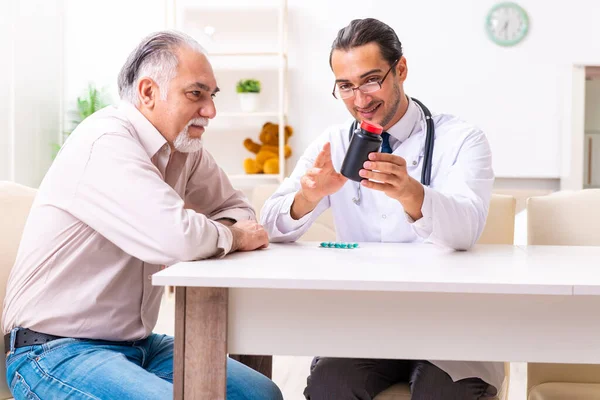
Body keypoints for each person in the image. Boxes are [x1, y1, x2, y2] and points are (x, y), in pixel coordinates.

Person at [2, 30, 283, 400]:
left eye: (212, 96)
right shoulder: (107, 142)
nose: (211, 110)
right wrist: (235, 236)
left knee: (262, 395)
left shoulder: (185, 149)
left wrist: (223, 230)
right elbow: (175, 238)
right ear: (149, 92)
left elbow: (238, 208)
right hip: (54, 352)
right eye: (196, 93)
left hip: (139, 346)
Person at [260, 18, 501, 400]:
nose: (360, 99)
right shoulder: (334, 143)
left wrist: (411, 194)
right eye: (345, 86)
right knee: (329, 388)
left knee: (442, 393)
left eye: (371, 79)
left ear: (400, 69)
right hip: (367, 322)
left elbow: (465, 230)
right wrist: (306, 196)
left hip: (448, 322)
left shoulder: (462, 139)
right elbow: (268, 225)